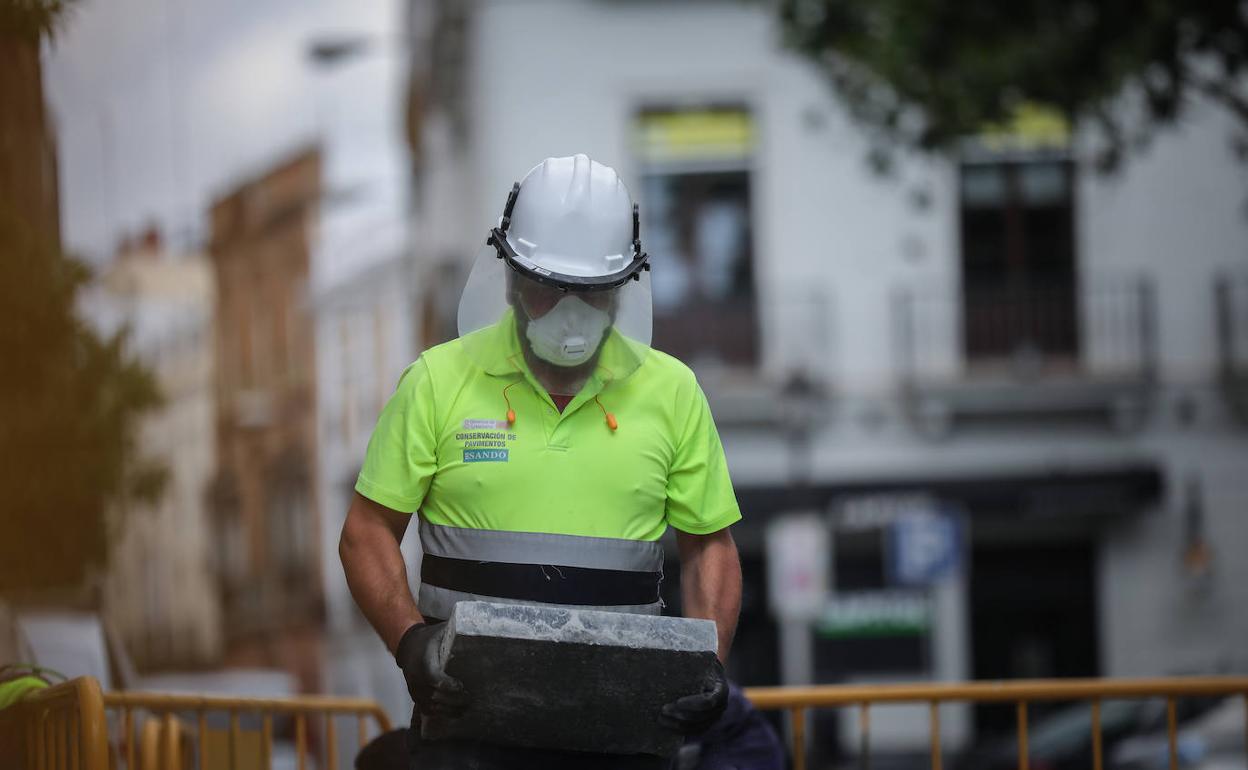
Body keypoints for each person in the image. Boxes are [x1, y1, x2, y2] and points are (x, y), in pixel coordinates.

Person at [339, 154, 743, 769]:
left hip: (619, 741)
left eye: (591, 292)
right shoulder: (437, 382)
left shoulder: (673, 392)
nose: (570, 312)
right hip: (466, 735)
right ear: (509, 277)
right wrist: (411, 643)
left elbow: (710, 547)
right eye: (550, 288)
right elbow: (367, 533)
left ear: (623, 287)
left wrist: (710, 664)